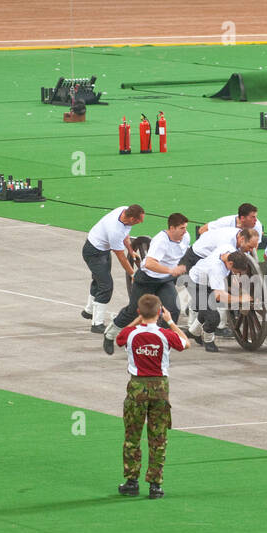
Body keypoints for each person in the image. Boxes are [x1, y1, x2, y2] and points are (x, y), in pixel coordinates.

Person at [117, 294, 188, 499]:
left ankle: (131, 481)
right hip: (160, 388)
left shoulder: (130, 334)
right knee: (158, 438)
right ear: (159, 313)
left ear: (139, 312)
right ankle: (155, 485)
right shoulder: (165, 334)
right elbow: (185, 343)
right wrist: (171, 322)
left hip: (137, 386)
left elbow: (121, 335)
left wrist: (139, 320)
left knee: (132, 436)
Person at [104, 213, 188, 355]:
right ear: (172, 228)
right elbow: (149, 264)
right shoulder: (160, 241)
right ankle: (110, 334)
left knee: (173, 309)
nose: (185, 231)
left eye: (185, 228)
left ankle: (162, 344)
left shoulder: (185, 237)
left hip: (165, 280)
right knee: (133, 312)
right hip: (147, 279)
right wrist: (170, 270)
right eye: (181, 228)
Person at [82, 204, 144, 334]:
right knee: (106, 286)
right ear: (132, 218)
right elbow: (121, 257)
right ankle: (96, 324)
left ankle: (88, 311)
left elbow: (125, 234)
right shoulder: (115, 230)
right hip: (93, 252)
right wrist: (133, 274)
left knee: (98, 280)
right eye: (139, 220)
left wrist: (131, 250)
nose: (141, 222)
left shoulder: (124, 210)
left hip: (103, 250)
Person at [187, 249, 255, 352]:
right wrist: (240, 299)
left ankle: (193, 332)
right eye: (237, 271)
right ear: (231, 263)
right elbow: (219, 296)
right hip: (195, 284)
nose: (237, 273)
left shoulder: (228, 251)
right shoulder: (217, 269)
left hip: (208, 281)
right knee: (214, 317)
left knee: (207, 308)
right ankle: (208, 341)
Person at [197, 202, 263, 240]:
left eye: (256, 216)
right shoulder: (225, 222)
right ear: (242, 218)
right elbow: (202, 230)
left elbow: (254, 247)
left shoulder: (257, 226)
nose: (256, 220)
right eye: (252, 217)